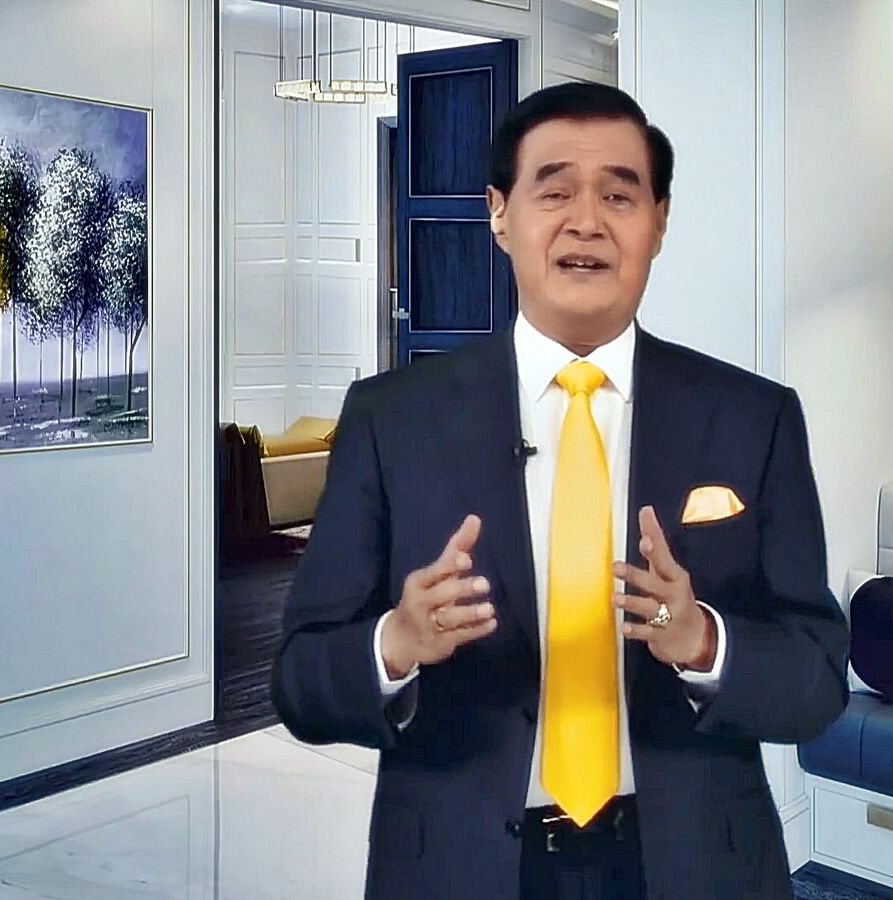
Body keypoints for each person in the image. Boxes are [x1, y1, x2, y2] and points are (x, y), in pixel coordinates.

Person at [271, 81, 849, 900]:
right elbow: (299, 682)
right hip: (458, 869)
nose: (587, 221)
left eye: (619, 194)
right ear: (499, 213)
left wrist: (705, 643)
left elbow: (818, 683)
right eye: (555, 191)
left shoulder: (755, 418)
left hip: (694, 867)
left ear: (658, 222)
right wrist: (395, 642)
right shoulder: (391, 418)